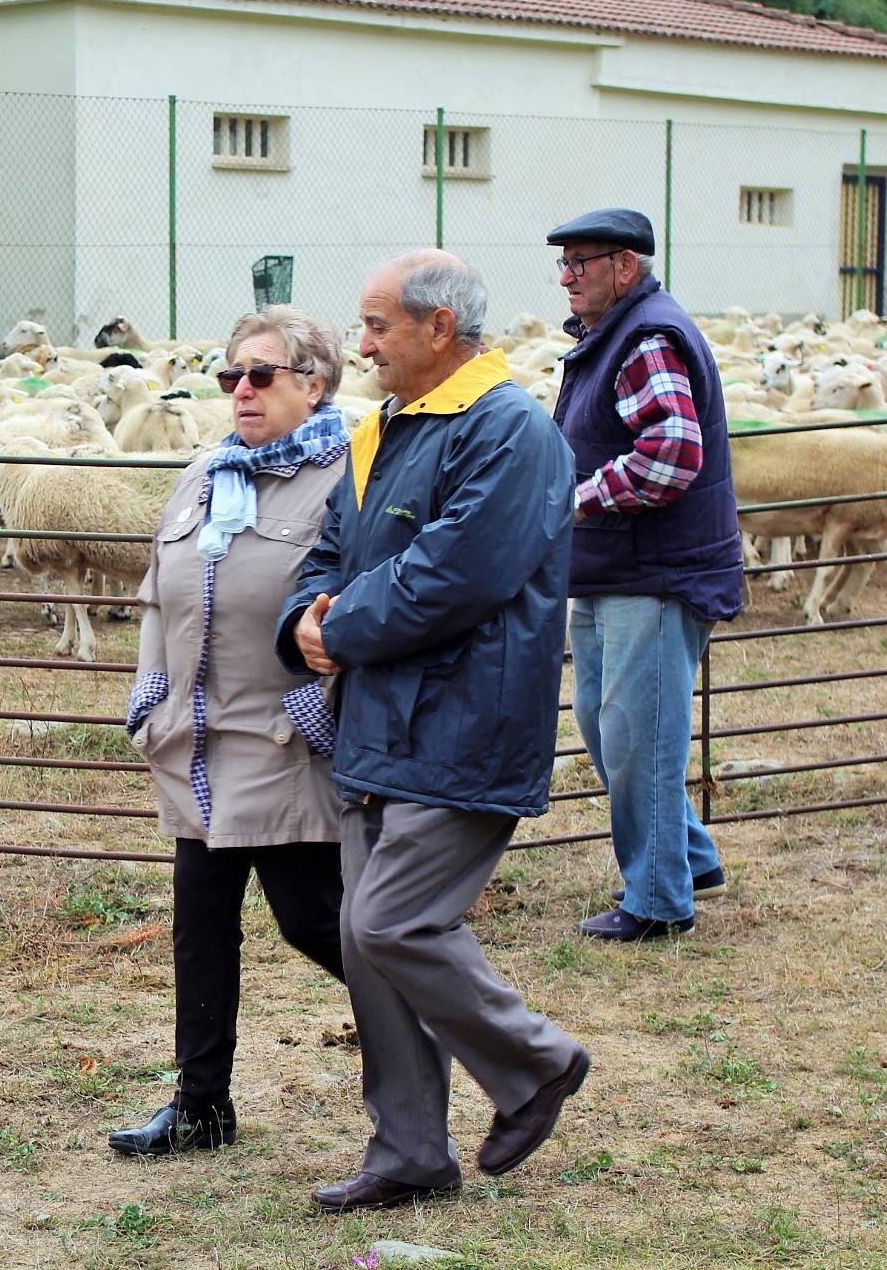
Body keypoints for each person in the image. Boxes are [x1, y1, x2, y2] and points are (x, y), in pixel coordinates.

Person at [277, 251, 589, 1213]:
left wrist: (341, 627)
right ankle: (408, 1150)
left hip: (464, 721)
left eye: (375, 326)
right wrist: (301, 621)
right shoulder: (387, 430)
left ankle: (534, 1063)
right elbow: (331, 548)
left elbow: (456, 574)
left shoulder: (512, 433)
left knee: (392, 921)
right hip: (380, 723)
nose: (360, 344)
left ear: (438, 329)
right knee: (366, 942)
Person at [110, 305, 354, 1156]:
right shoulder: (208, 472)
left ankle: (432, 1025)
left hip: (279, 738)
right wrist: (149, 692)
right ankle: (201, 1105)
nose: (240, 392)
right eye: (230, 377)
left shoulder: (345, 477)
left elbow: (359, 604)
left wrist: (321, 709)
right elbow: (158, 586)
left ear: (314, 384)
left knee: (313, 920)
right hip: (197, 739)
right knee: (200, 924)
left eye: (261, 375)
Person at [546, 208, 745, 942]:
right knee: (609, 730)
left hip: (654, 574)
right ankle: (690, 859)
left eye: (580, 261)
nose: (566, 276)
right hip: (615, 569)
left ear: (624, 267)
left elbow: (670, 455)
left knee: (640, 737)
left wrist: (574, 502)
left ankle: (659, 903)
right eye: (562, 263)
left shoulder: (645, 338)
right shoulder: (616, 336)